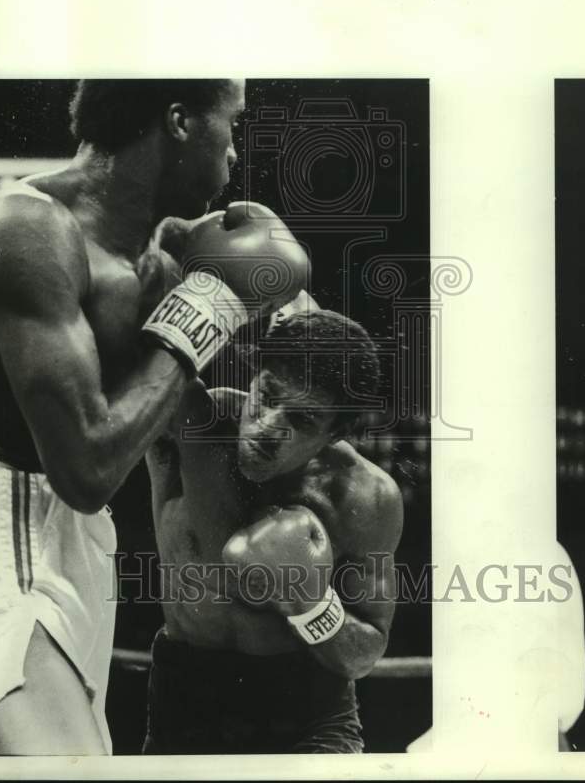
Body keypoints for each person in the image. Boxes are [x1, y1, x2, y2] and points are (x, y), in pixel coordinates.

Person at [0, 78, 310, 756]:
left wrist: (281, 355)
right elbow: (87, 468)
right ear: (179, 121)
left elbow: (159, 420)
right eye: (233, 125)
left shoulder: (155, 258)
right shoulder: (28, 228)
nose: (235, 156)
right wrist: (212, 308)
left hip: (74, 553)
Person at [143, 306, 404, 754]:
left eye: (302, 421)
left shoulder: (366, 497)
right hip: (184, 705)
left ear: (335, 433)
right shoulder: (191, 423)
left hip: (309, 718)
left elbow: (365, 652)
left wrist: (309, 602)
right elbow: (122, 355)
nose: (268, 427)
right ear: (253, 375)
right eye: (267, 395)